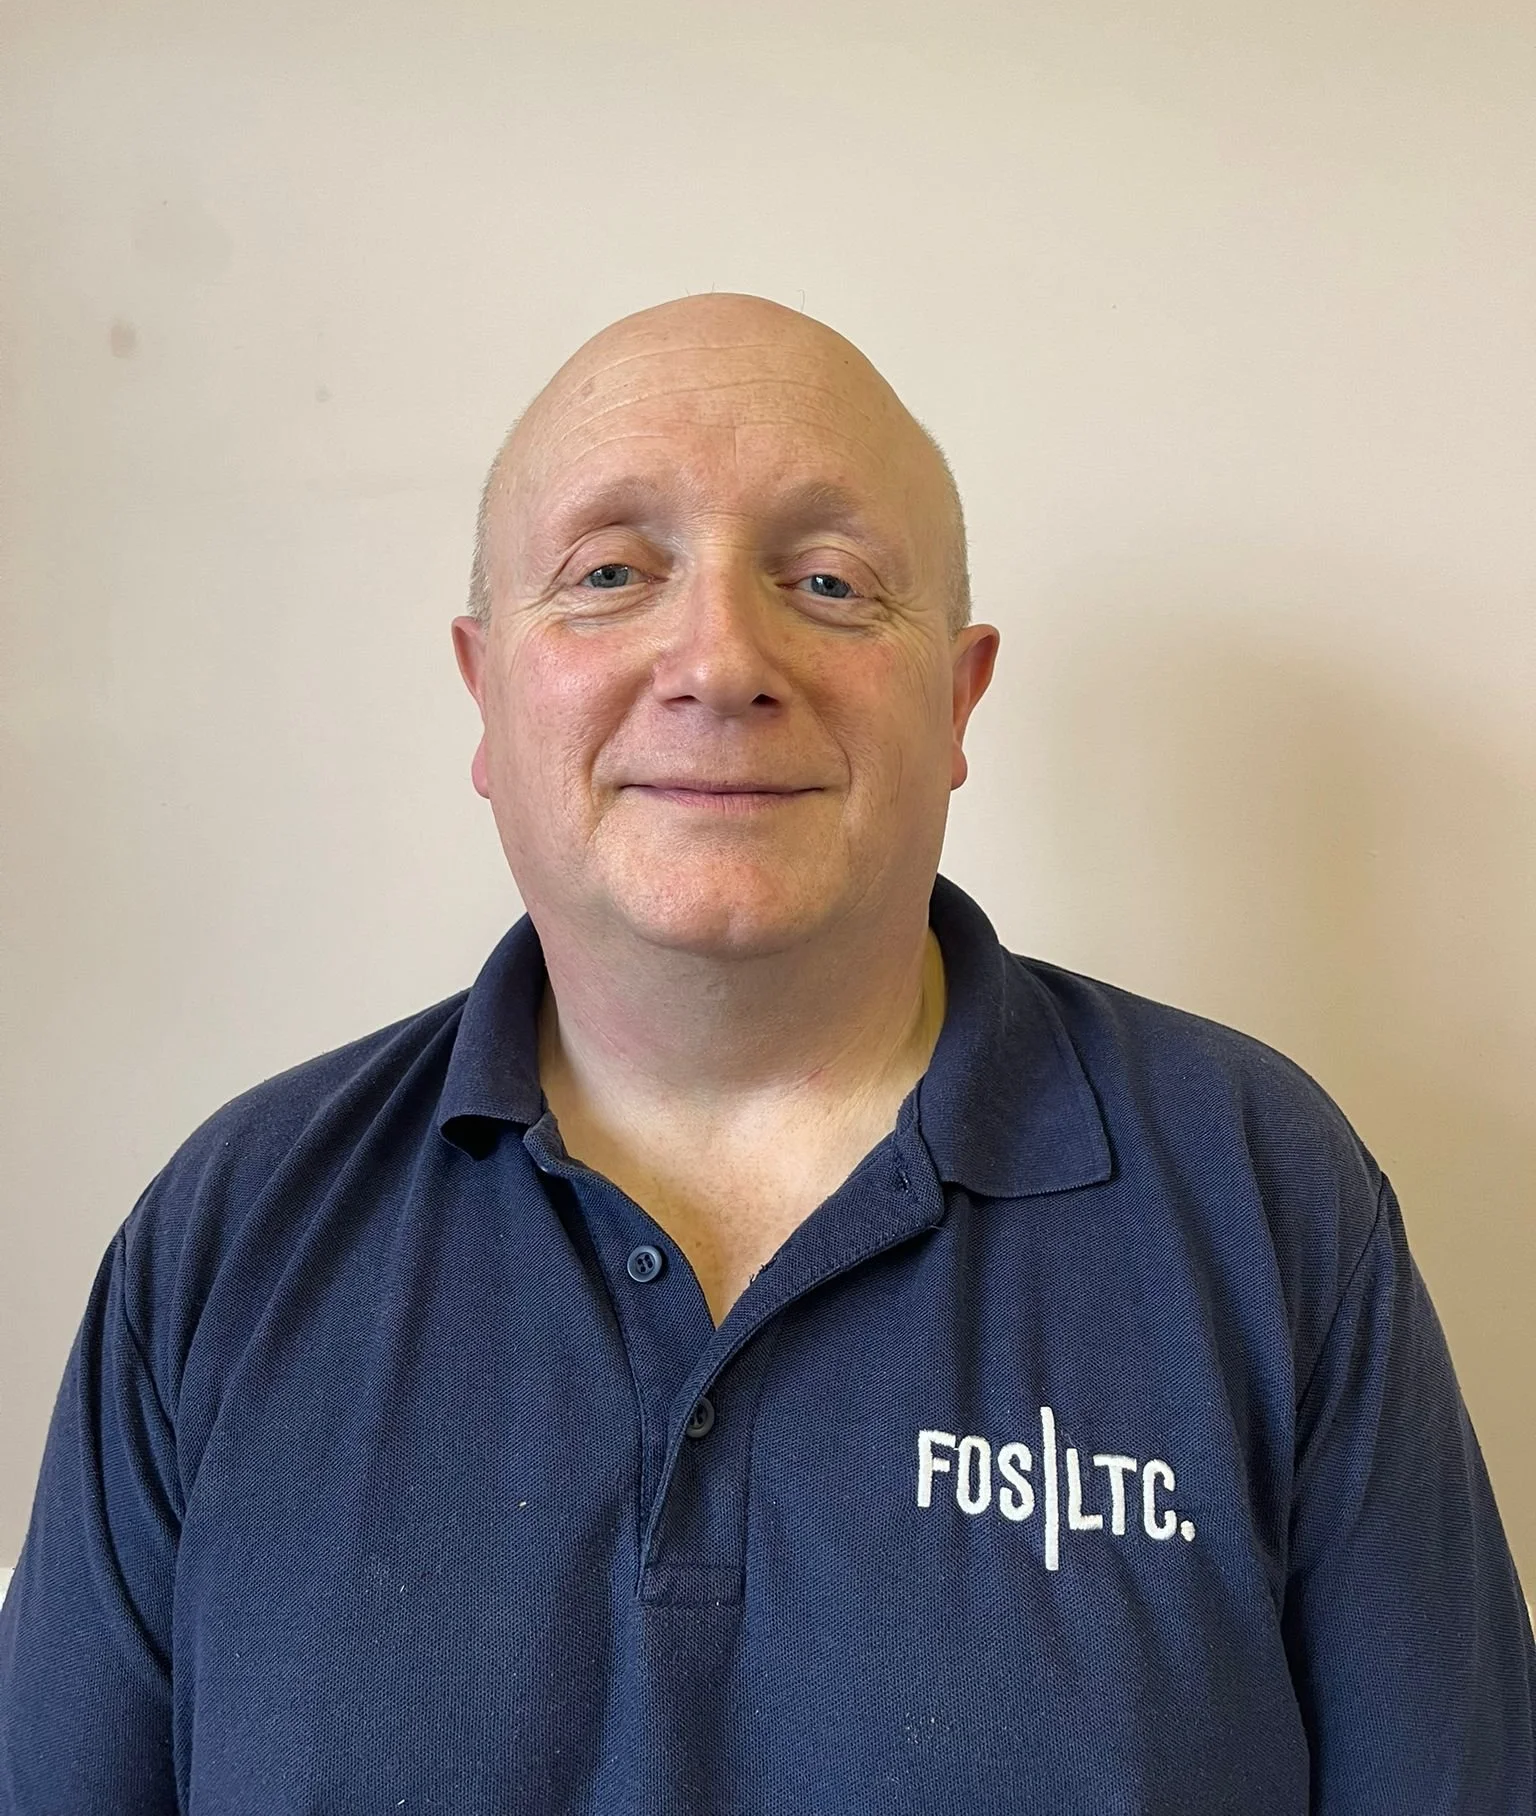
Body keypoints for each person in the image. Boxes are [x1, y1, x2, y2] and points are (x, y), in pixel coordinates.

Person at [0, 292, 1530, 1814]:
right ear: (484, 693)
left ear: (956, 698)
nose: (720, 659)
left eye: (829, 580)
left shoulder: (1264, 1200)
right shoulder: (228, 1241)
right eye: (609, 574)